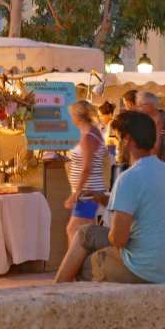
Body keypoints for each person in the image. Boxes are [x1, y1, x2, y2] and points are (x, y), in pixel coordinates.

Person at [54, 111, 165, 284]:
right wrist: (102, 199)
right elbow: (145, 203)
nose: (117, 145)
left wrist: (105, 241)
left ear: (128, 140)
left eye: (118, 139)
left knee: (81, 264)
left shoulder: (129, 178)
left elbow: (118, 239)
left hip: (143, 267)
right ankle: (55, 294)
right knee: (84, 233)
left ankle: (55, 297)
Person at [64, 100, 108, 245]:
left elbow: (87, 167)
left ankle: (74, 266)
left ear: (77, 117)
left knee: (73, 230)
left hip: (88, 192)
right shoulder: (92, 132)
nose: (71, 118)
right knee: (86, 232)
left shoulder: (88, 137)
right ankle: (85, 265)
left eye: (71, 115)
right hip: (90, 190)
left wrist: (76, 193)